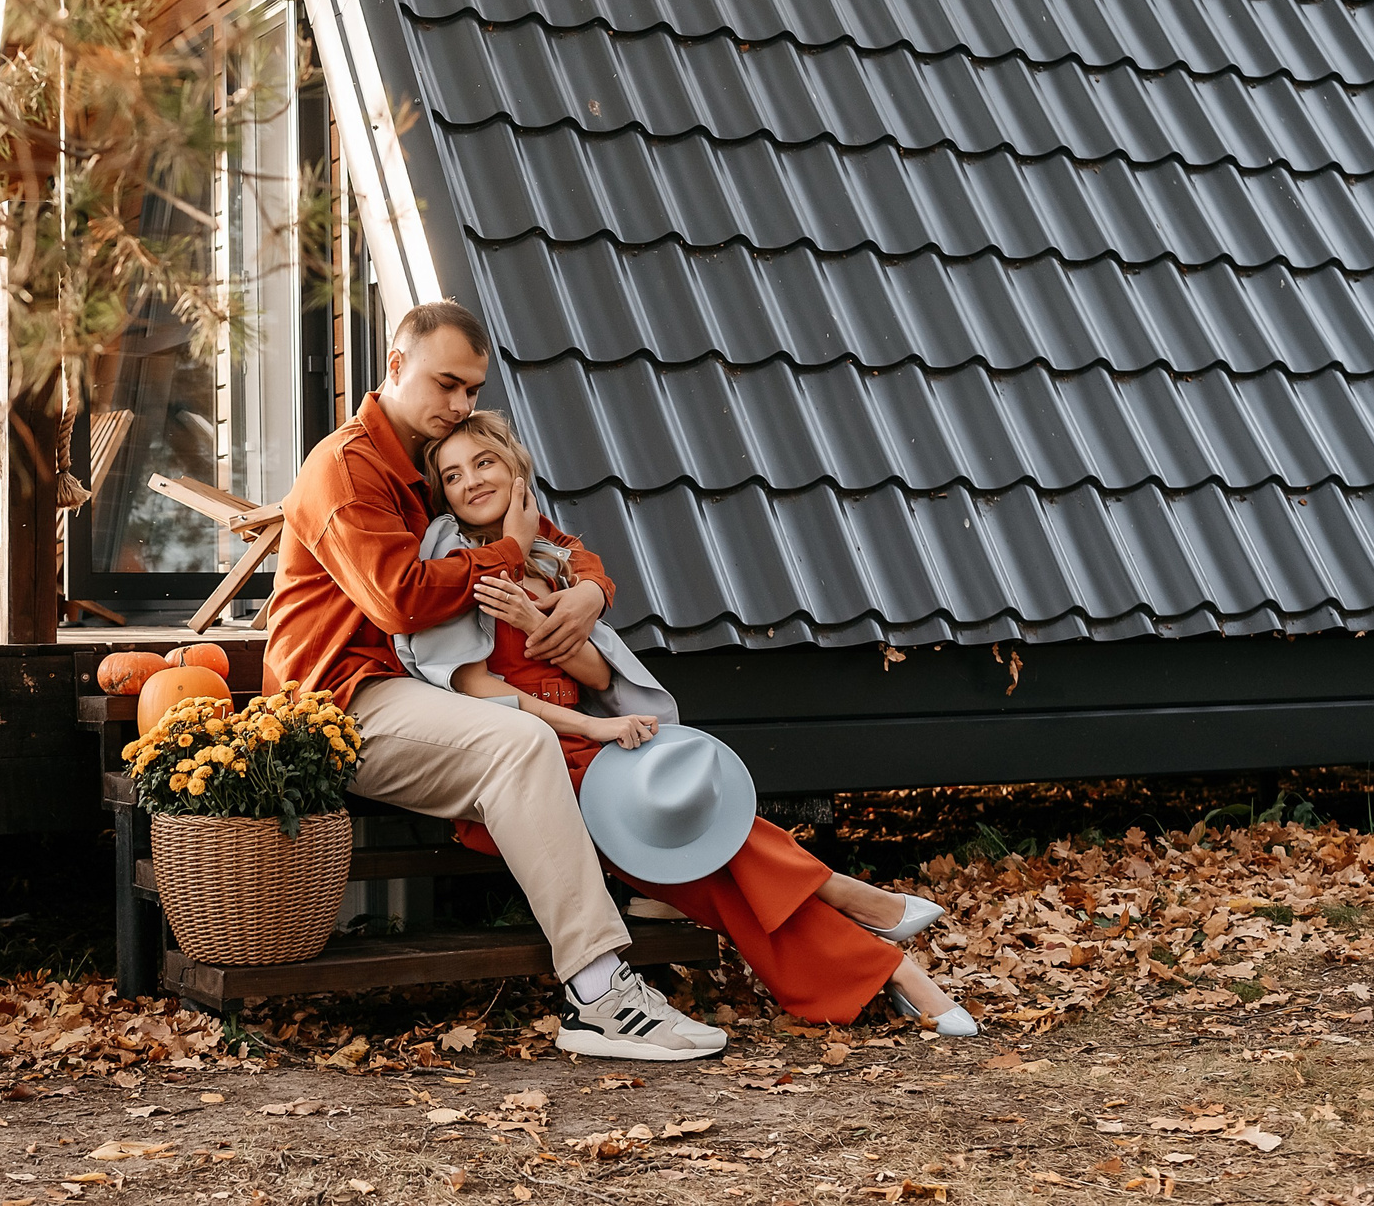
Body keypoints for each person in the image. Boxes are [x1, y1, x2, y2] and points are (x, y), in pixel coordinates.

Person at [413, 408, 976, 1036]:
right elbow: (473, 686)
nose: (470, 482)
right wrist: (592, 729)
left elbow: (599, 679)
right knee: (697, 832)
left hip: (590, 746)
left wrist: (535, 624)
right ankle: (851, 906)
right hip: (526, 759)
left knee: (703, 839)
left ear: (516, 465)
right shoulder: (452, 556)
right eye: (453, 474)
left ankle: (884, 966)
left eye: (483, 462)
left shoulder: (554, 555)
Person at [265, 300, 725, 1060]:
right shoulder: (347, 465)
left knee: (545, 740)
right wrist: (507, 556)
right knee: (519, 742)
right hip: (340, 699)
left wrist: (590, 587)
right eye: (446, 383)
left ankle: (617, 971)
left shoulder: (427, 461)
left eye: (473, 390)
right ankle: (599, 991)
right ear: (395, 366)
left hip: (419, 689)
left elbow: (554, 539)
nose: (460, 405)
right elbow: (400, 595)